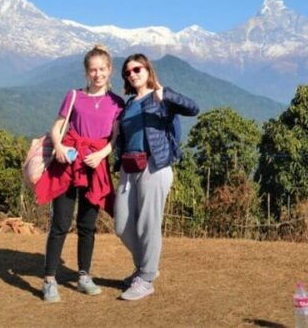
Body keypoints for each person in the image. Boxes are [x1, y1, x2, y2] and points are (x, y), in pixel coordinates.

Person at [36, 45, 124, 303]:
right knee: (60, 224)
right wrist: (61, 146)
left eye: (102, 69)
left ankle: (83, 275)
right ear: (86, 72)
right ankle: (49, 279)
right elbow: (56, 128)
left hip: (95, 166)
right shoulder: (73, 96)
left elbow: (115, 137)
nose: (97, 74)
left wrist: (102, 154)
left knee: (88, 226)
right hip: (69, 164)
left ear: (110, 70)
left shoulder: (116, 102)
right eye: (93, 70)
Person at [113, 53, 199, 301]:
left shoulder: (161, 97)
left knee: (147, 224)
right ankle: (145, 268)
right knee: (122, 225)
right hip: (129, 167)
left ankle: (146, 278)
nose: (132, 74)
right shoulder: (128, 105)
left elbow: (194, 108)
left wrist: (167, 95)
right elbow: (124, 137)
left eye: (137, 69)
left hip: (154, 165)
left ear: (148, 70)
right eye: (127, 72)